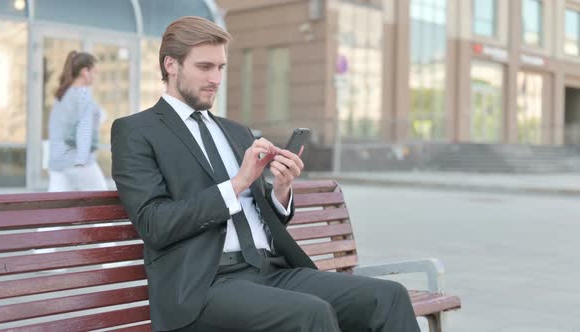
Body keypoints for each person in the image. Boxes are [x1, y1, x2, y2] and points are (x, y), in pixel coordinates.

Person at [111, 16, 420, 332]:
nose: (216, 78)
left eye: (221, 68)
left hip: (271, 270)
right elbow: (154, 223)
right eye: (205, 67)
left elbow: (260, 217)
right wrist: (238, 183)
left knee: (389, 296)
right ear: (171, 65)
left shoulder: (235, 132)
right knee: (311, 314)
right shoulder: (136, 131)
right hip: (204, 285)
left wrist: (281, 191)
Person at [47, 50, 107, 192]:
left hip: (57, 164)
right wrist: (82, 160)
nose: (95, 76)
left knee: (58, 210)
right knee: (103, 203)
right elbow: (84, 128)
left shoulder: (61, 96)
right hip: (77, 162)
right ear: (85, 71)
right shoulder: (82, 94)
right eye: (94, 71)